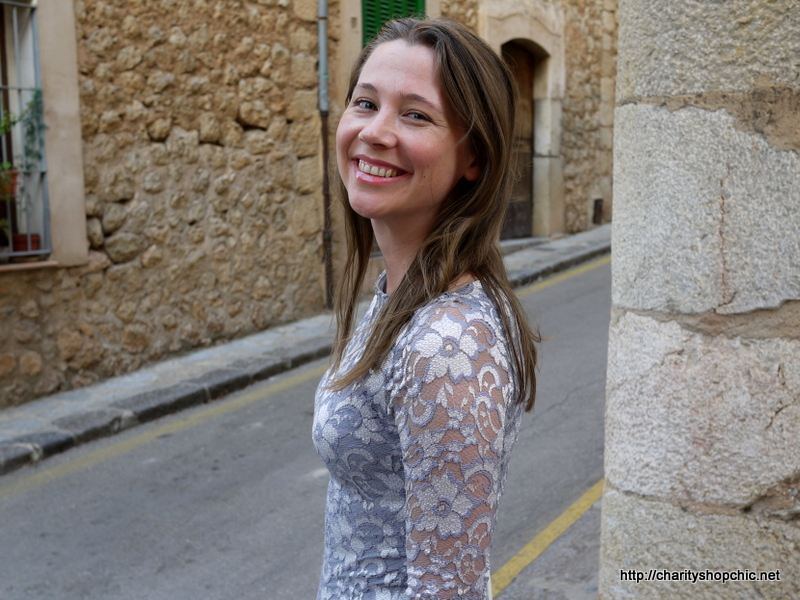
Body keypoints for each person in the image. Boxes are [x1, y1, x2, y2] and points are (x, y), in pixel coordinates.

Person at [312, 17, 540, 600]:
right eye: (366, 103)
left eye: (415, 115)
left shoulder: (446, 344)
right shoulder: (403, 296)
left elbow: (448, 590)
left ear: (474, 158)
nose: (375, 132)